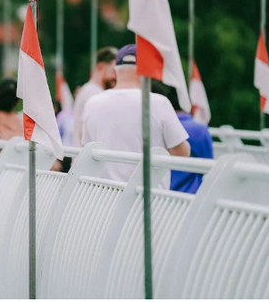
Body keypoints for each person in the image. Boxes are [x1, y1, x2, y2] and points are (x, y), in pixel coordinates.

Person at [77, 44, 190, 188]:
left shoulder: (92, 103)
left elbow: (88, 150)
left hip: (105, 200)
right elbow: (182, 155)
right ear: (145, 71)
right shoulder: (158, 103)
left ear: (116, 71)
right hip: (148, 202)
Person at [152, 81, 214, 194]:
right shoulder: (200, 130)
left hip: (160, 196)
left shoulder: (155, 125)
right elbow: (209, 167)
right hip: (189, 198)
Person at [72, 47, 119, 147]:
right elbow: (84, 131)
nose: (116, 76)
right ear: (100, 67)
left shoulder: (89, 90)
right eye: (113, 71)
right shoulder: (94, 93)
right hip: (89, 158)